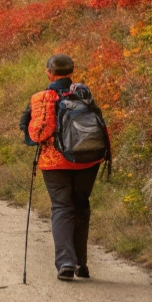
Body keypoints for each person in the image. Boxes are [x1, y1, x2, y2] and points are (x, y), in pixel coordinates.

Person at [22, 53, 105, 281]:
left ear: (49, 73)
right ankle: (82, 263)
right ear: (72, 72)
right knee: (81, 206)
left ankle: (66, 262)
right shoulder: (83, 92)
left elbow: (39, 133)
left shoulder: (43, 97)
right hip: (88, 158)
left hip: (55, 162)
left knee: (61, 207)